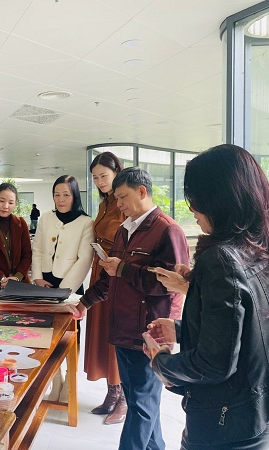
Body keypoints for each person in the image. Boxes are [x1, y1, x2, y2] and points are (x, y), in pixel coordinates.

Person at [145, 145, 269, 450]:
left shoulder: (221, 258)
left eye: (195, 198)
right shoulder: (265, 247)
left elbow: (214, 364)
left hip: (229, 424)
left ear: (218, 199)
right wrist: (181, 330)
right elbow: (248, 330)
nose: (191, 208)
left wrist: (162, 362)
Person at [77, 167, 189, 450]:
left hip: (148, 334)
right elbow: (111, 277)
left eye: (123, 197)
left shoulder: (167, 230)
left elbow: (169, 285)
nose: (119, 204)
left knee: (140, 406)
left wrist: (124, 269)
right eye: (116, 198)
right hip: (123, 330)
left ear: (141, 191)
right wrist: (85, 302)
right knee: (142, 401)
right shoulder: (124, 230)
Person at [31, 175, 94, 401]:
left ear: (74, 195)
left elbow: (84, 259)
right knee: (46, 333)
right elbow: (37, 249)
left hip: (71, 288)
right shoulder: (46, 218)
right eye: (57, 195)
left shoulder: (86, 222)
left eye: (66, 194)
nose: (61, 199)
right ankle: (54, 378)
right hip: (45, 284)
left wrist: (64, 291)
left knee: (70, 334)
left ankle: (69, 380)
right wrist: (37, 277)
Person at [84, 152, 127, 424]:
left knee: (116, 334)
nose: (100, 181)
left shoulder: (123, 203)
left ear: (117, 173)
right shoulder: (104, 204)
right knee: (102, 334)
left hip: (117, 274)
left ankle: (124, 397)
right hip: (100, 271)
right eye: (95, 177)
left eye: (104, 175)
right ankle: (112, 392)